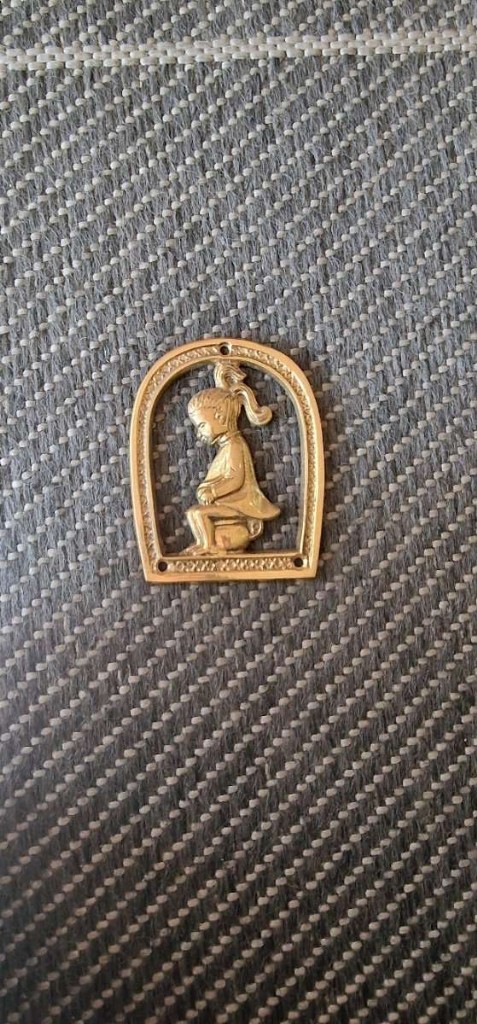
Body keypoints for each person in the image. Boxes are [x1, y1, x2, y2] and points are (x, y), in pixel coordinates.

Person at [182, 361, 280, 555]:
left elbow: (235, 479)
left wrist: (213, 492)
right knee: (194, 513)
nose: (199, 433)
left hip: (237, 510)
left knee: (198, 513)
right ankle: (204, 544)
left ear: (220, 417)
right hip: (224, 510)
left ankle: (209, 546)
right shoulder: (226, 447)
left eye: (202, 425)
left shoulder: (235, 446)